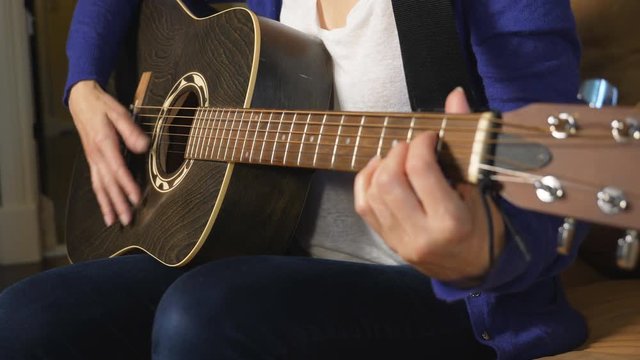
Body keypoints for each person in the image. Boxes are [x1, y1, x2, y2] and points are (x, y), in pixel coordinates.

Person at [0, 0, 586, 359]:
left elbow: (558, 189)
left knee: (204, 314)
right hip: (266, 247)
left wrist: (480, 254)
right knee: (25, 318)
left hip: (446, 291)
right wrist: (82, 86)